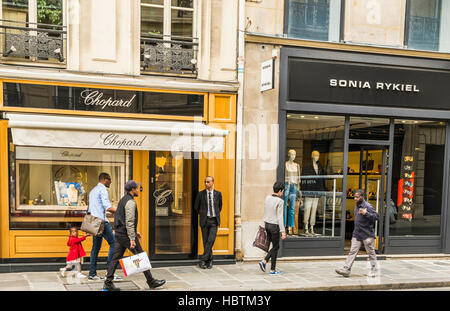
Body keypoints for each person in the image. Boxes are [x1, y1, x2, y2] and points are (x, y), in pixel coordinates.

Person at [103, 180, 166, 291]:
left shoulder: (123, 199)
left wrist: (134, 231)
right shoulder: (130, 202)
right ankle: (151, 282)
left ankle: (108, 283)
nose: (138, 190)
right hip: (126, 235)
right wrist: (132, 238)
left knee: (115, 258)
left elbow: (122, 217)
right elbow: (129, 221)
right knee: (141, 256)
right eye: (136, 188)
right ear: (132, 190)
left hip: (119, 233)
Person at [335, 189, 380, 277]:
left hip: (367, 234)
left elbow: (376, 217)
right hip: (357, 233)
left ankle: (374, 270)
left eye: (357, 197)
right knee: (352, 251)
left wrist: (366, 213)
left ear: (362, 197)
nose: (355, 198)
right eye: (354, 197)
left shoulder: (368, 206)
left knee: (371, 252)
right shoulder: (357, 205)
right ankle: (346, 269)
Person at [88, 172, 120, 281]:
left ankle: (92, 274)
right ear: (104, 179)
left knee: (95, 248)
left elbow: (92, 208)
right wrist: (119, 211)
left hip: (93, 221)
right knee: (114, 244)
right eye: (109, 180)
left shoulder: (93, 191)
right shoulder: (102, 190)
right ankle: (109, 272)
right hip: (101, 221)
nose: (110, 182)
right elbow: (108, 206)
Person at [194, 176, 222, 269]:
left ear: (212, 183)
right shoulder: (200, 194)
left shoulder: (218, 194)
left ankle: (203, 260)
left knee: (210, 240)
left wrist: (215, 215)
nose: (206, 184)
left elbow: (219, 207)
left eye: (208, 182)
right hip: (205, 221)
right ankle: (209, 260)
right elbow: (196, 207)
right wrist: (202, 214)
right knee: (206, 241)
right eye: (205, 182)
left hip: (214, 221)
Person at [259, 181, 287, 275]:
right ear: (280, 191)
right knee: (276, 247)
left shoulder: (267, 198)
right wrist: (283, 231)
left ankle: (270, 267)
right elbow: (280, 217)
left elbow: (265, 211)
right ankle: (267, 264)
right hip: (274, 226)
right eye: (282, 191)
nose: (282, 193)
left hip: (267, 224)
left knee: (275, 247)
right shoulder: (280, 201)